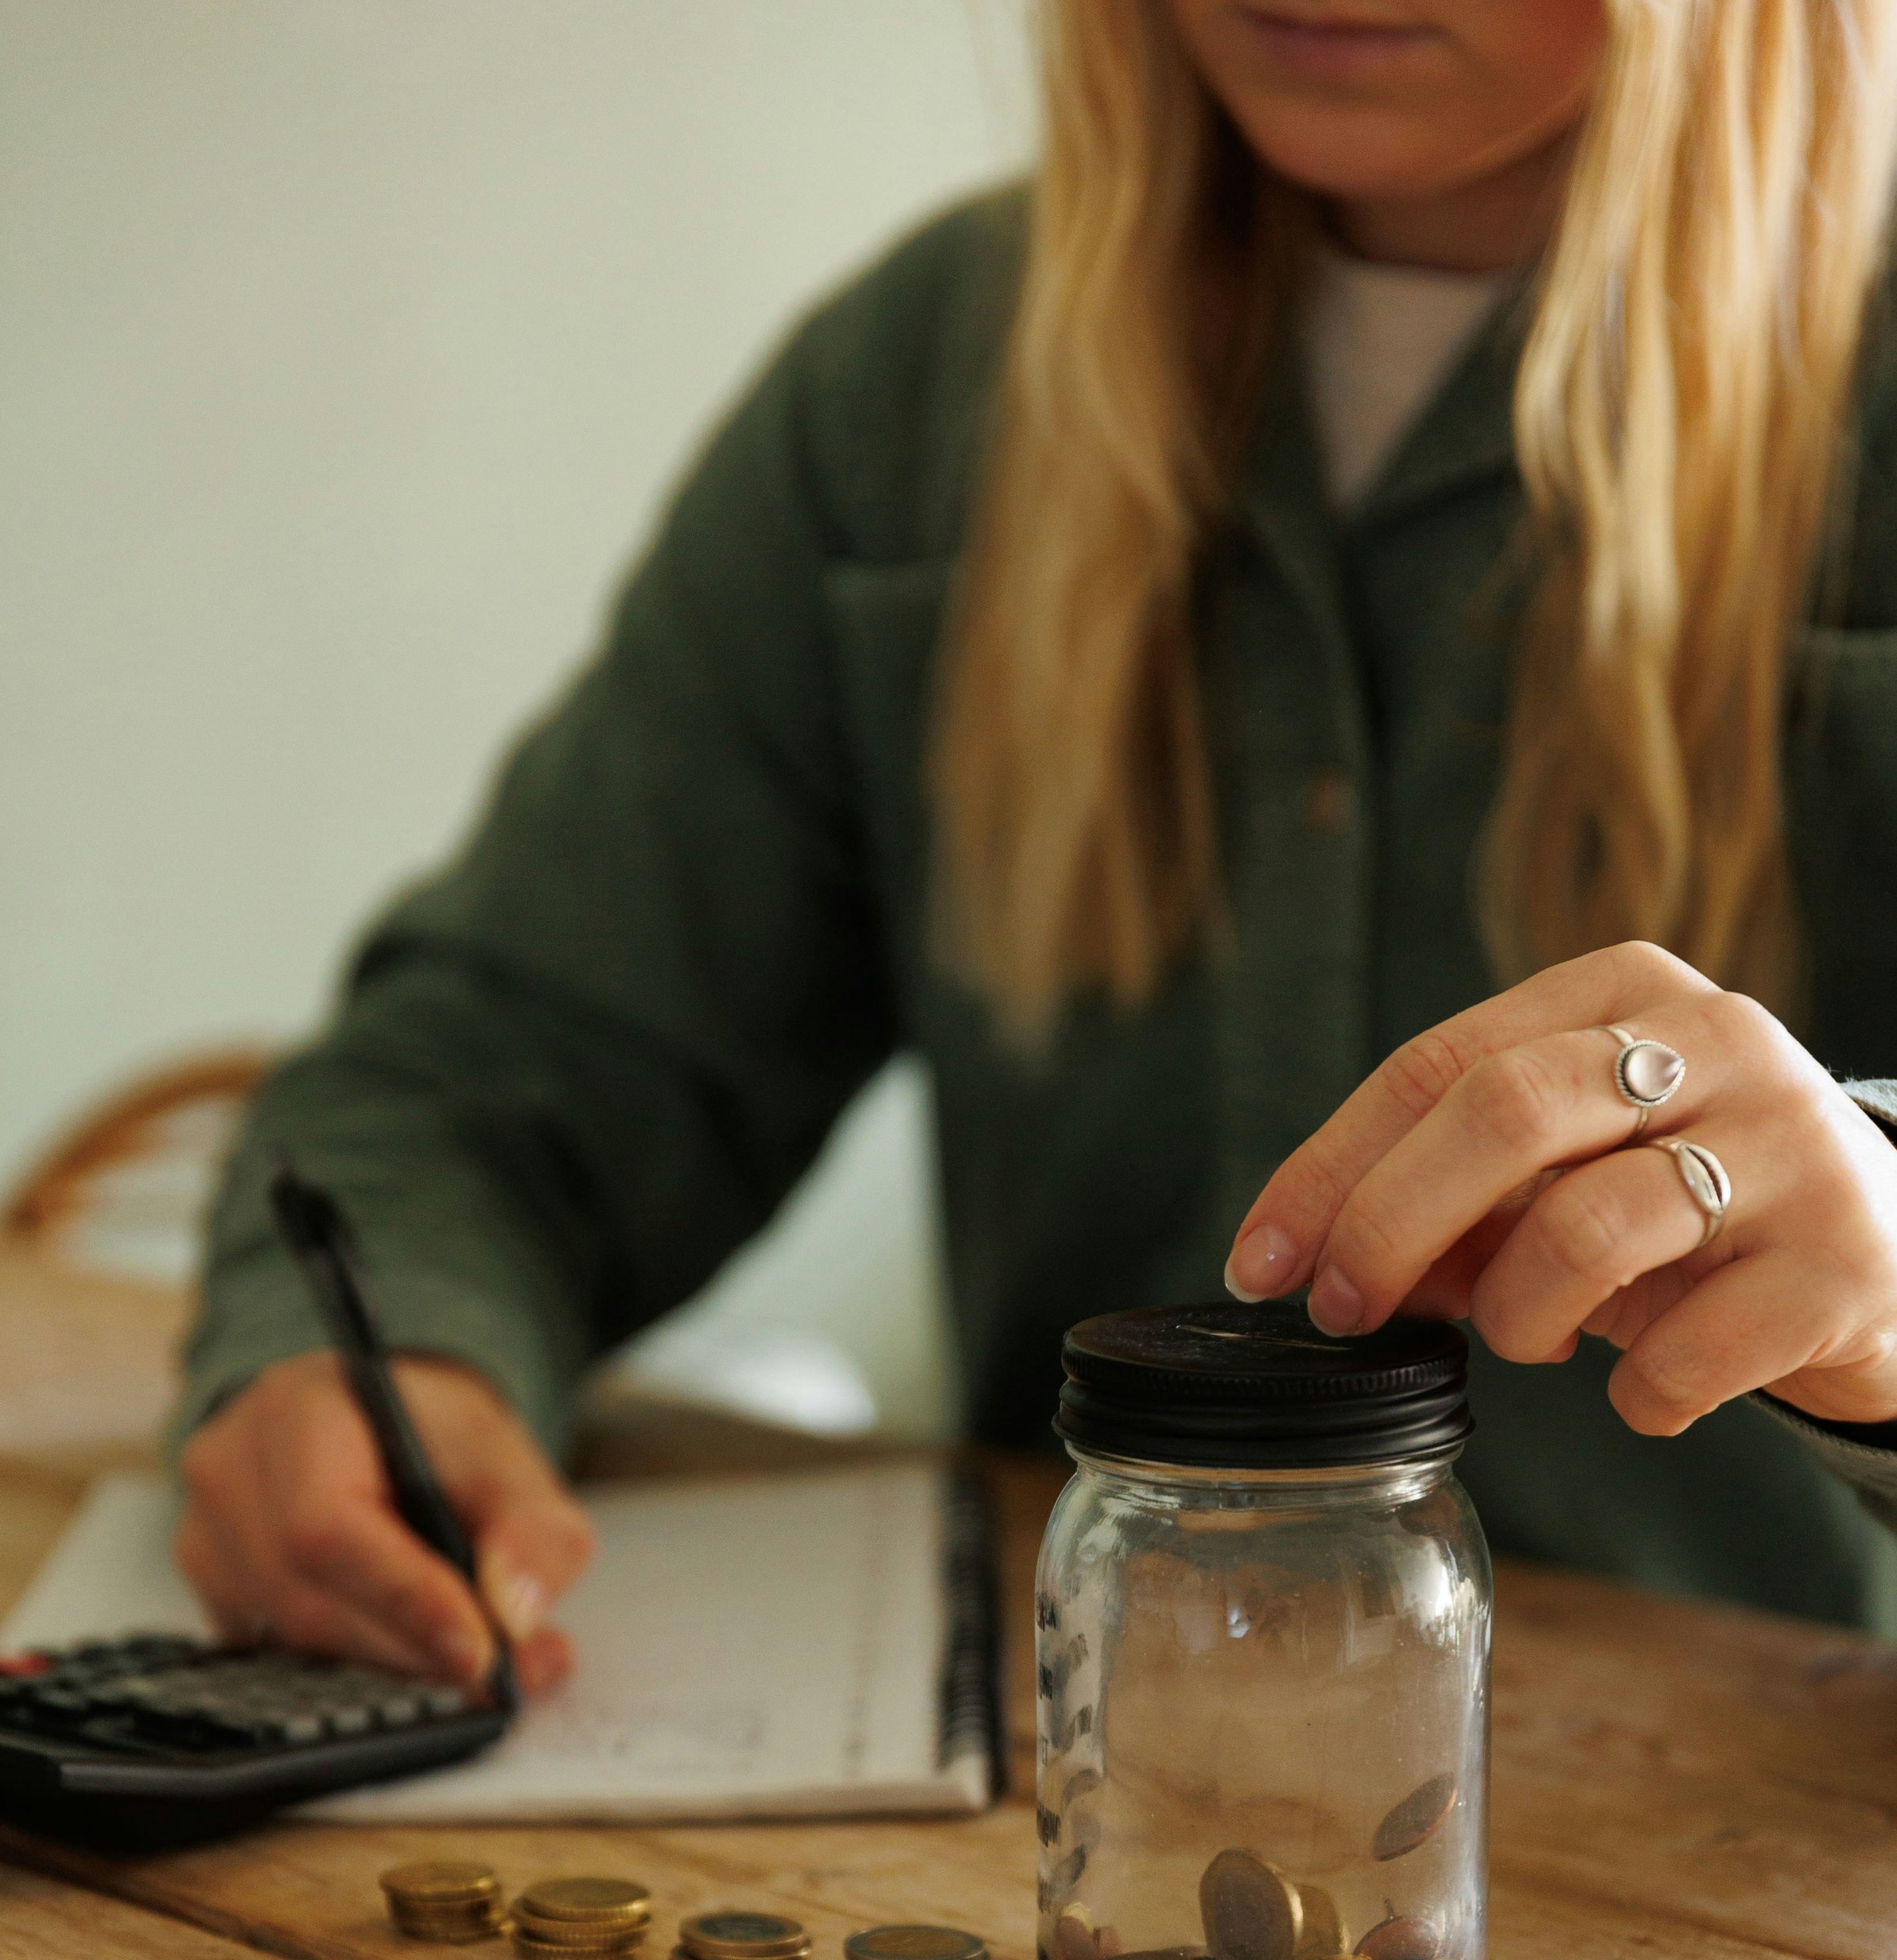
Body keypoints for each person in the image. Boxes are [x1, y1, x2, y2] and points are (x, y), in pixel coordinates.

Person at [177, 0, 1897, 1700]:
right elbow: (503, 1069)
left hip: (1768, 1906)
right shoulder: (916, 386)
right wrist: (378, 1357)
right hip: (1081, 1812)